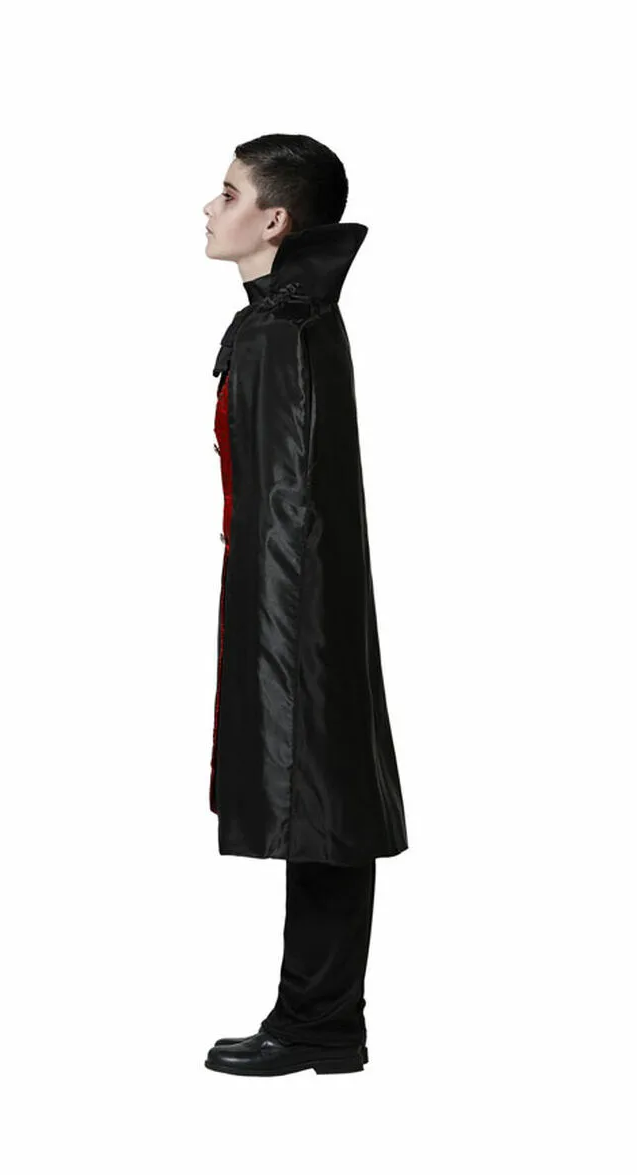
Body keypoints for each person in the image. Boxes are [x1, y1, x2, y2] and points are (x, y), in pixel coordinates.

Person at [201, 135, 408, 1076]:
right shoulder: (290, 316)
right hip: (293, 593)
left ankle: (319, 1022)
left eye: (229, 193)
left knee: (319, 798)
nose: (211, 208)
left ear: (274, 220)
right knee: (321, 798)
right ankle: (319, 1016)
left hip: (295, 600)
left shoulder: (283, 327)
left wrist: (281, 633)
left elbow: (290, 494)